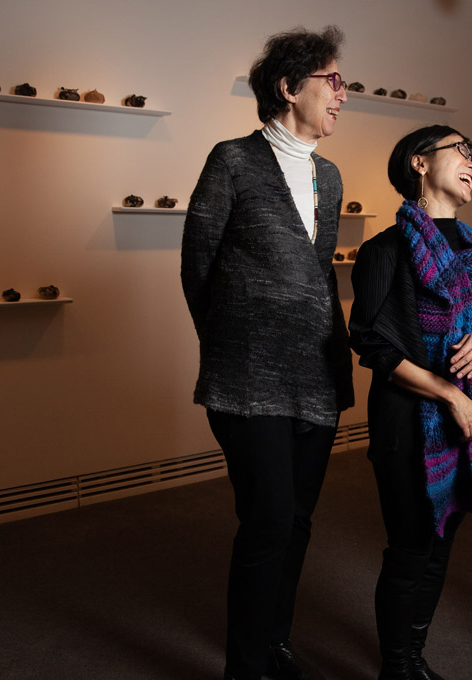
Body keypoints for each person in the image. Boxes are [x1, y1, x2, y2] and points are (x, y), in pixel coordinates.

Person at [180, 25, 354, 680]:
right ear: (288, 87)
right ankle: (247, 666)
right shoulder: (231, 160)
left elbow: (316, 274)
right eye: (331, 81)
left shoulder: (329, 178)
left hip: (315, 378)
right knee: (267, 521)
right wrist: (233, 344)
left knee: (299, 522)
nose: (343, 94)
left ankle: (275, 644)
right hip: (247, 380)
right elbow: (197, 267)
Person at [349, 125, 472, 680]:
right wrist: (445, 391)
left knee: (441, 545)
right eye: (461, 151)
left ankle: (412, 656)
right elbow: (370, 341)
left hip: (463, 423)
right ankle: (398, 665)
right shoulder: (384, 250)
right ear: (420, 163)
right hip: (408, 423)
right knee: (413, 546)